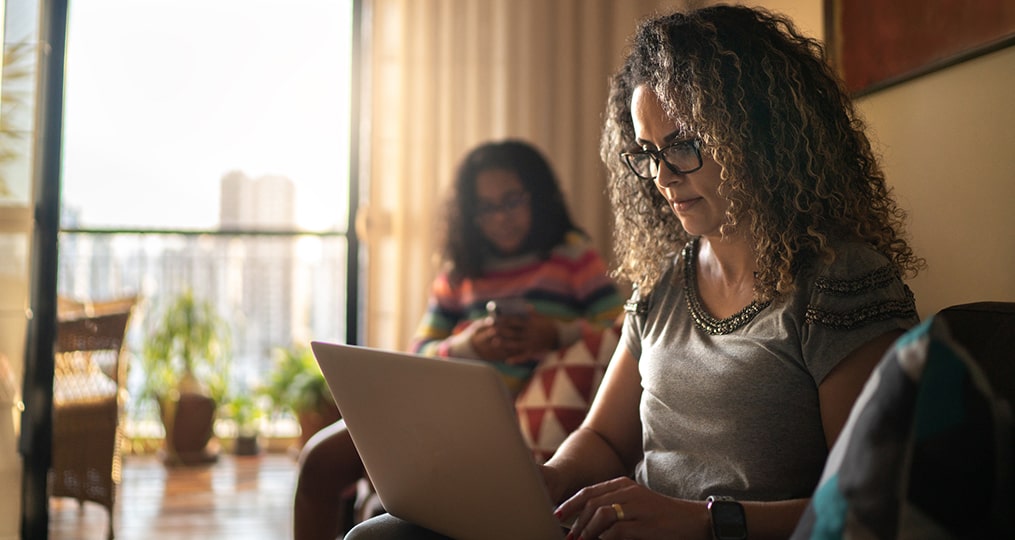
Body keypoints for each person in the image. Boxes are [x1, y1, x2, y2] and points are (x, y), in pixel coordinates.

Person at [346, 5, 924, 540]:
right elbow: (601, 438)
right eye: (647, 152)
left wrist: (700, 521)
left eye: (684, 145)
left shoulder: (840, 282)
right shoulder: (666, 284)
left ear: (757, 136)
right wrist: (544, 481)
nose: (663, 176)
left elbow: (866, 499)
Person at [293, 139, 624, 540]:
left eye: (511, 200)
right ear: (470, 214)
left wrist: (553, 334)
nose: (501, 217)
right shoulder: (460, 272)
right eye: (486, 208)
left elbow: (618, 330)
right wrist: (469, 345)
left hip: (499, 427)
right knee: (319, 460)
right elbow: (419, 353)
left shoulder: (572, 255)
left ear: (537, 197)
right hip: (441, 414)